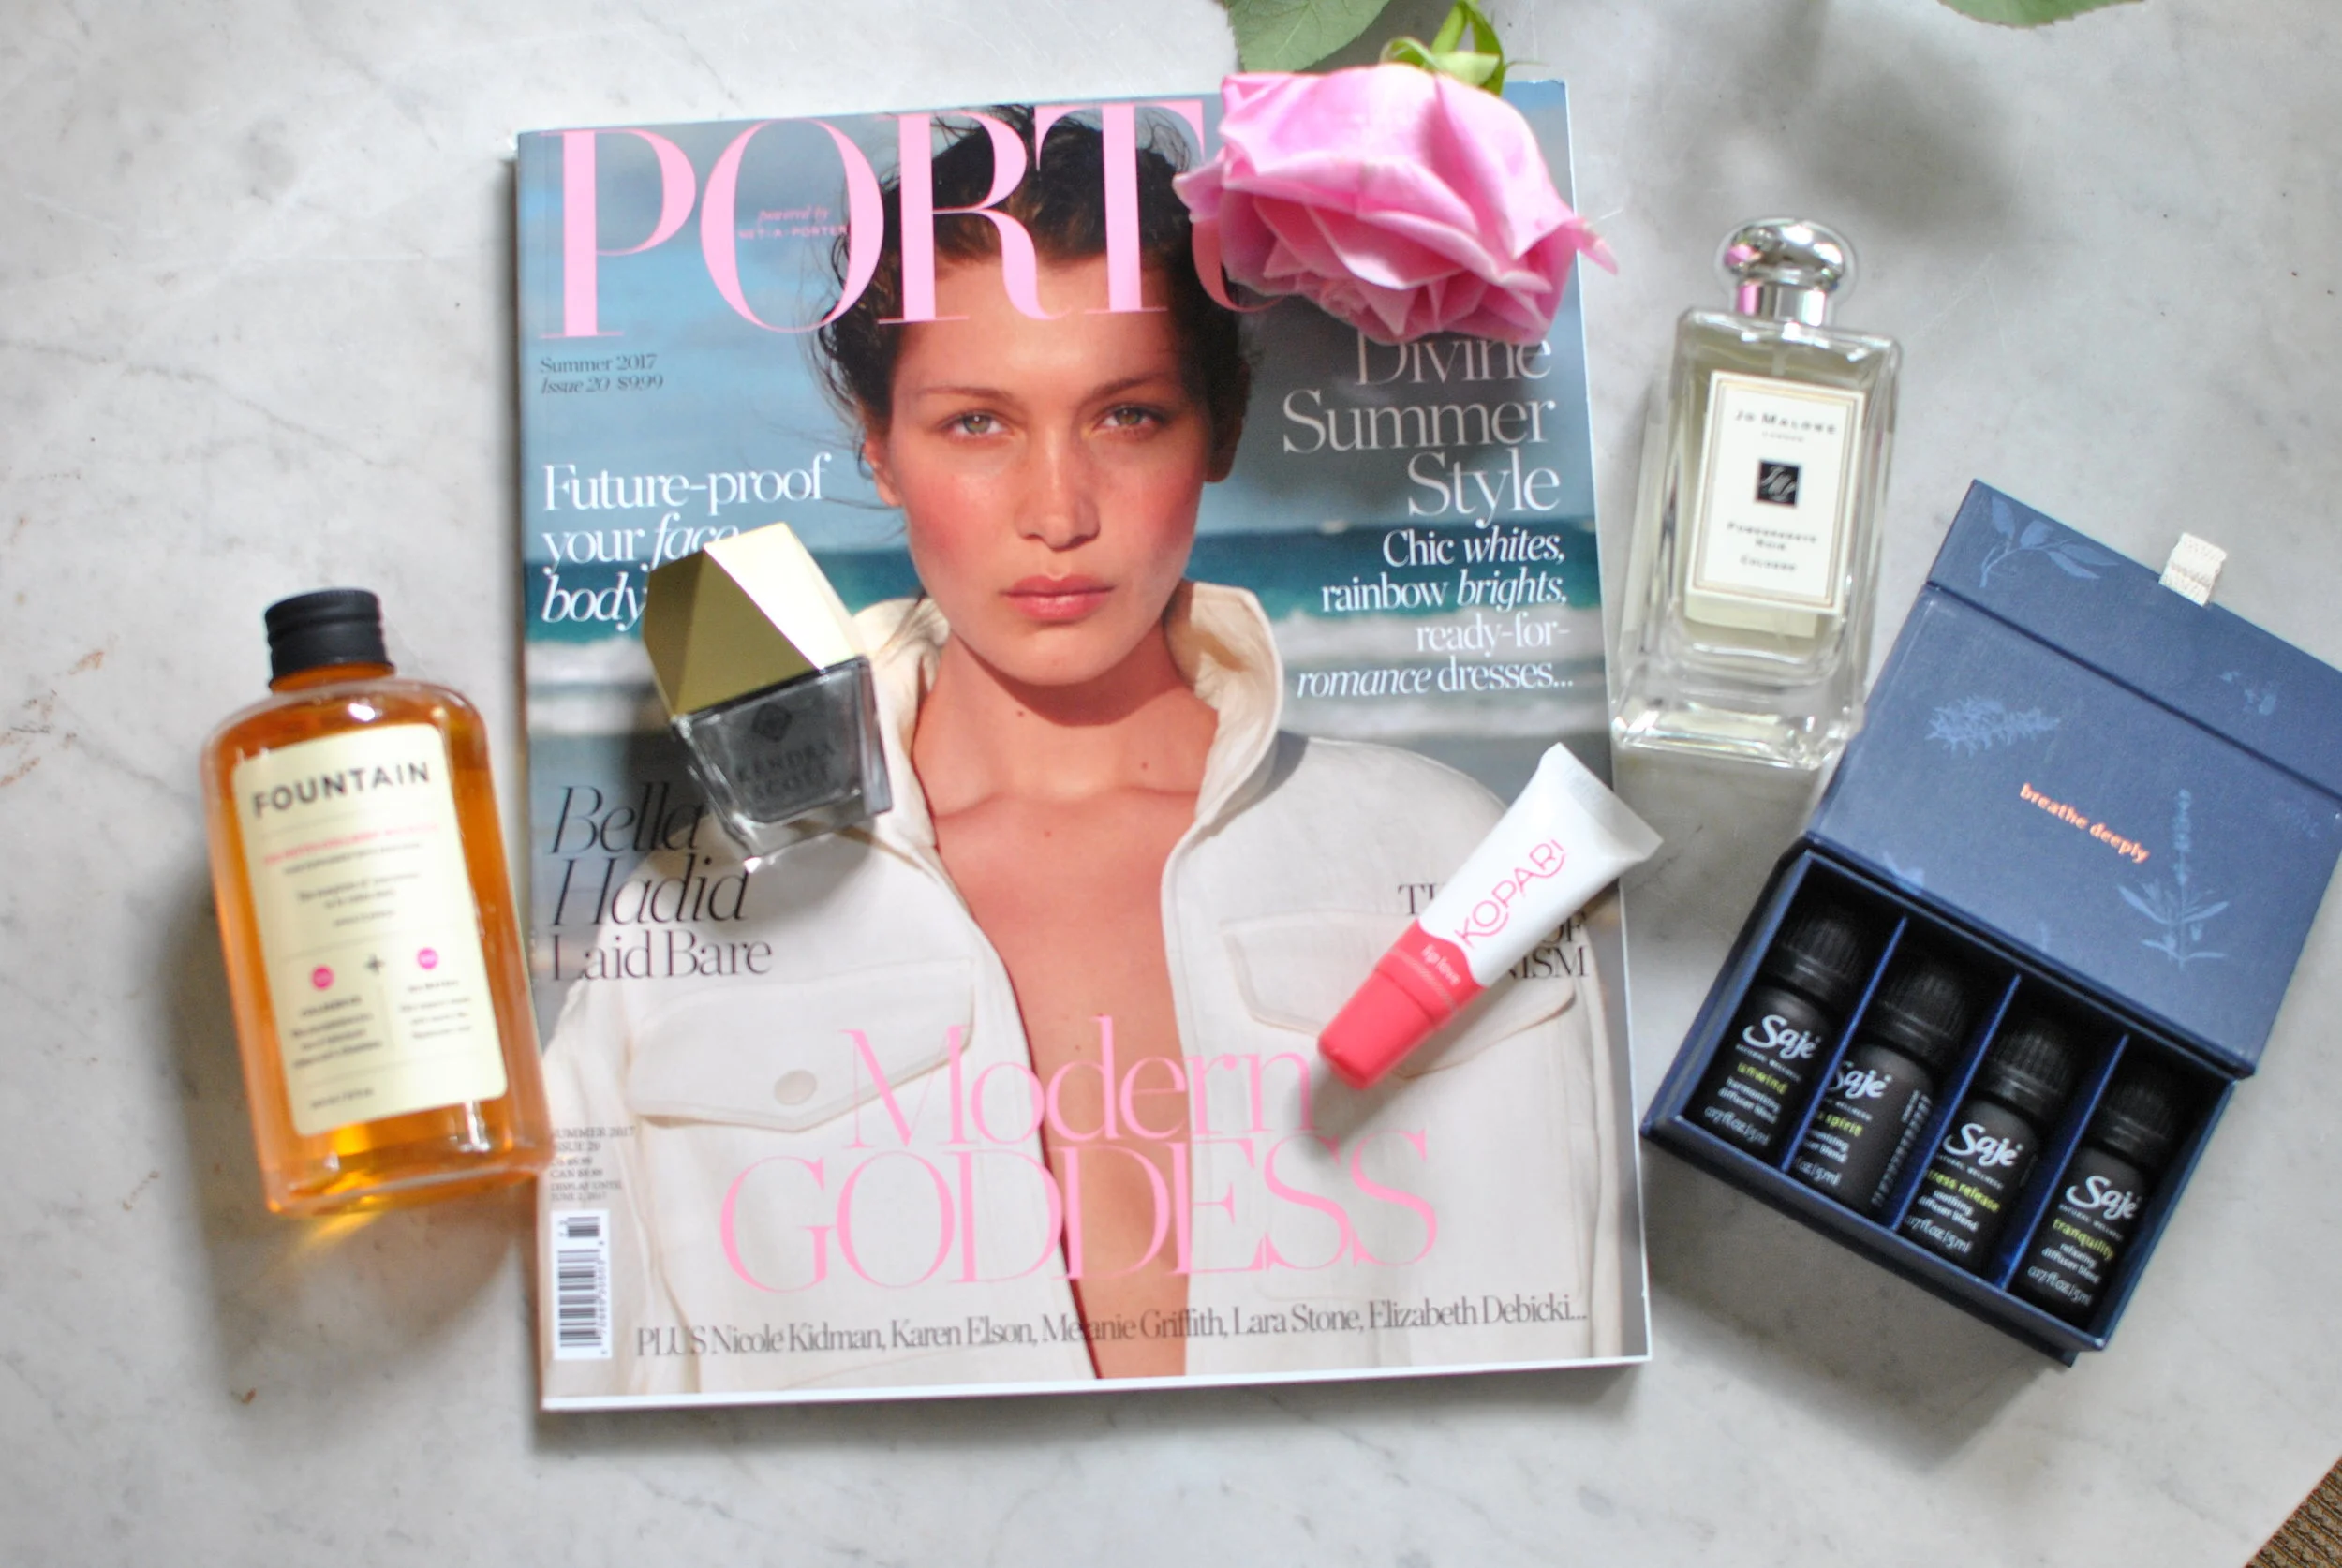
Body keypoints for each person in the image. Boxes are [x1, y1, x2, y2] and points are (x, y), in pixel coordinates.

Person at [540, 111, 1629, 1398]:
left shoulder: (1447, 855)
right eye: (977, 425)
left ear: (1219, 427)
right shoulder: (684, 924)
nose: (1057, 513)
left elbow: (1570, 1332)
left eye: (1127, 416)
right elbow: (599, 1393)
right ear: (878, 446)